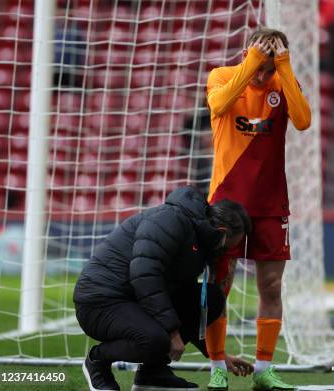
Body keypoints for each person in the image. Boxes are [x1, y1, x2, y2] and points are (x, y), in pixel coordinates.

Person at [205, 27, 311, 390]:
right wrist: (253, 61)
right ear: (248, 54)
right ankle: (216, 366)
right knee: (220, 285)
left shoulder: (282, 85)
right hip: (225, 203)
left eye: (270, 67)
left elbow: (303, 120)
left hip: (269, 203)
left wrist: (283, 64)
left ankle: (264, 371)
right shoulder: (222, 77)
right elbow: (219, 106)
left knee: (270, 285)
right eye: (260, 66)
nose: (264, 75)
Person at [74, 186, 254, 391]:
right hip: (101, 301)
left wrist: (217, 355)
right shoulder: (169, 220)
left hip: (133, 298)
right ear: (221, 232)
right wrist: (172, 332)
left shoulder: (197, 237)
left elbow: (181, 298)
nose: (225, 251)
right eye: (228, 245)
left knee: (211, 299)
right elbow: (145, 276)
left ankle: (152, 373)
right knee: (156, 340)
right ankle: (97, 361)